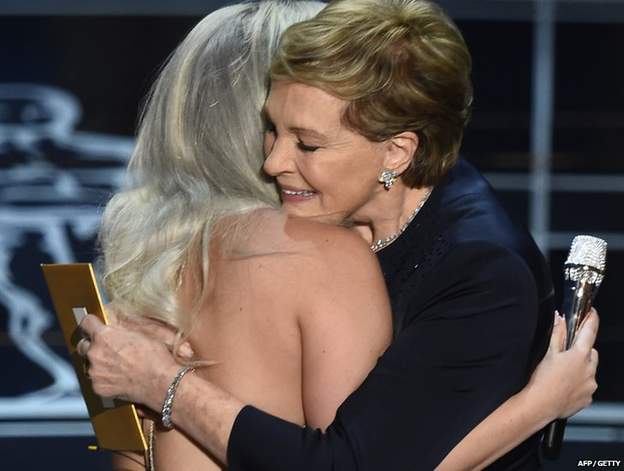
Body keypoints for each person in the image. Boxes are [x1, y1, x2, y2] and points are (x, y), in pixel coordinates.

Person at [79, 0, 599, 469]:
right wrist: (537, 408)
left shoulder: (480, 270)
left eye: (307, 144)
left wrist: (165, 385)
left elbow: (353, 463)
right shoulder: (316, 221)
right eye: (271, 128)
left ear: (397, 153)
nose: (272, 162)